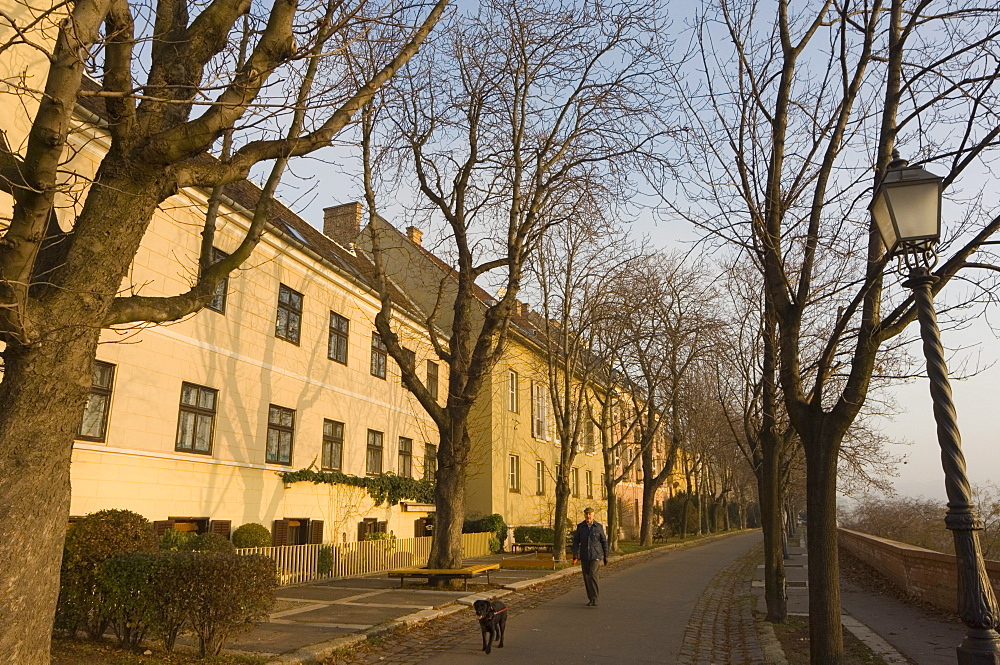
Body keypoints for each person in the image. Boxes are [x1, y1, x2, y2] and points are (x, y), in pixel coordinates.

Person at [571, 507, 609, 606]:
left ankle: (595, 597)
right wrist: (575, 554)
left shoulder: (598, 527)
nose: (588, 516)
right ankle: (590, 598)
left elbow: (604, 541)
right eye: (586, 514)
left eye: (590, 514)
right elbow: (576, 542)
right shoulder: (581, 527)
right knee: (587, 577)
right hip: (584, 555)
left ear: (593, 515)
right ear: (584, 515)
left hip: (595, 555)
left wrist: (606, 555)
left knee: (593, 575)